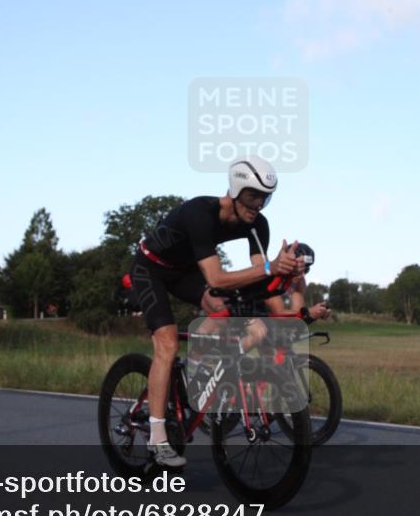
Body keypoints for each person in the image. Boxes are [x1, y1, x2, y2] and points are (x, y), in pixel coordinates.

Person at [130, 157, 303, 467]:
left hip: (183, 272)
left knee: (224, 309)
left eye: (266, 197)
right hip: (150, 268)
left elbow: (260, 278)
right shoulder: (201, 212)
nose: (258, 204)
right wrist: (270, 267)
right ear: (236, 190)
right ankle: (158, 438)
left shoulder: (257, 225)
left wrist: (286, 274)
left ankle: (197, 371)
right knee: (167, 342)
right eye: (252, 195)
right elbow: (216, 278)